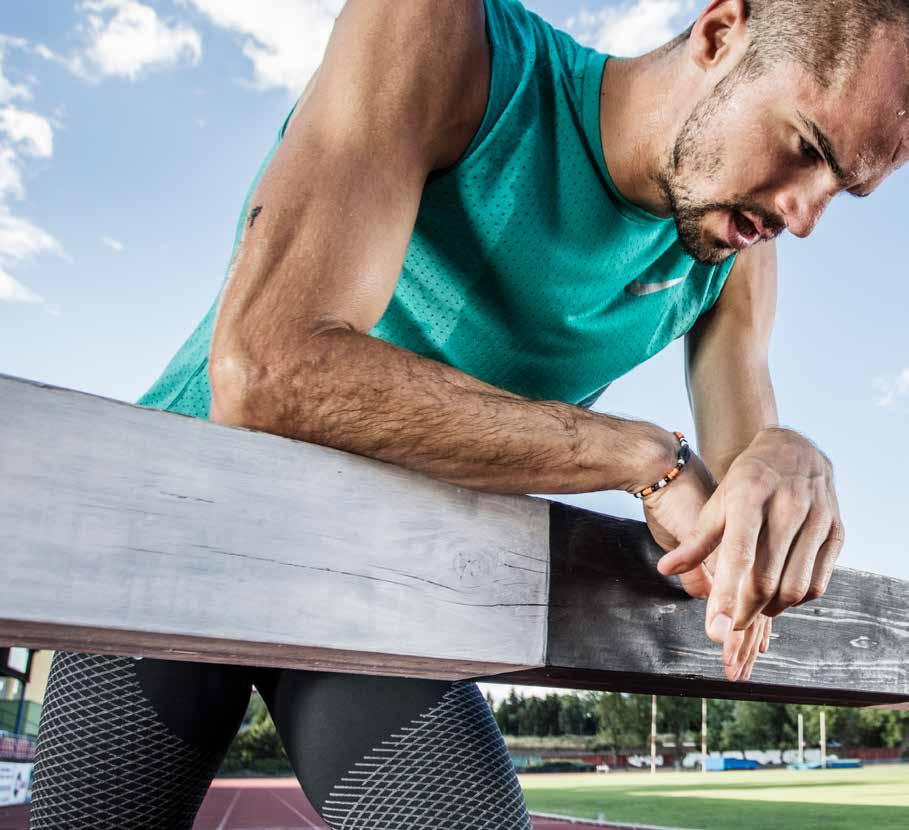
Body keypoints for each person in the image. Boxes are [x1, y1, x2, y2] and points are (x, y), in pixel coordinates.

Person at [29, 0, 906, 827]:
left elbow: (738, 479)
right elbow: (267, 368)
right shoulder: (452, 41)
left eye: (841, 187)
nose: (800, 215)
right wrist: (641, 456)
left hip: (388, 578)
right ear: (718, 31)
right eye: (804, 146)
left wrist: (785, 460)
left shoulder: (729, 243)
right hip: (178, 535)